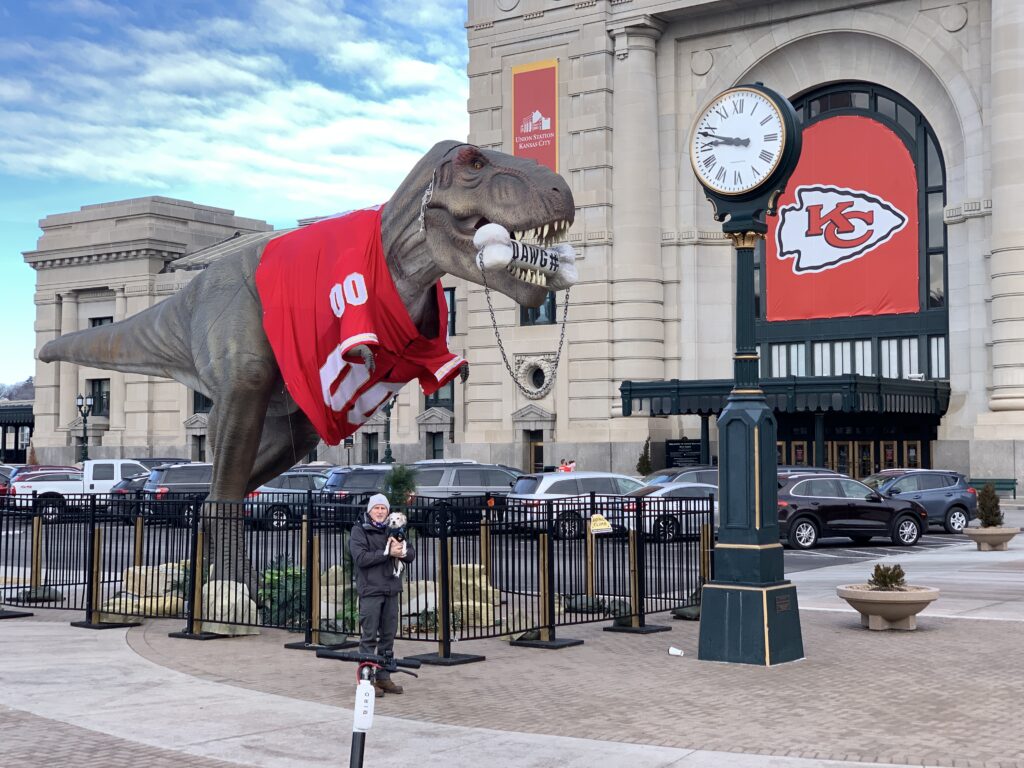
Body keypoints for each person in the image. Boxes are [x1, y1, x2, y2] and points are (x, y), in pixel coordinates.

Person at [349, 493, 416, 697]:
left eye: (383, 508)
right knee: (369, 638)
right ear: (369, 511)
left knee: (388, 638)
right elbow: (361, 558)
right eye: (376, 508)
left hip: (391, 590)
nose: (380, 512)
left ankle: (384, 677)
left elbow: (411, 553)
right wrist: (387, 554)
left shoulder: (394, 529)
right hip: (371, 590)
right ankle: (367, 680)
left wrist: (403, 553)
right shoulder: (360, 531)